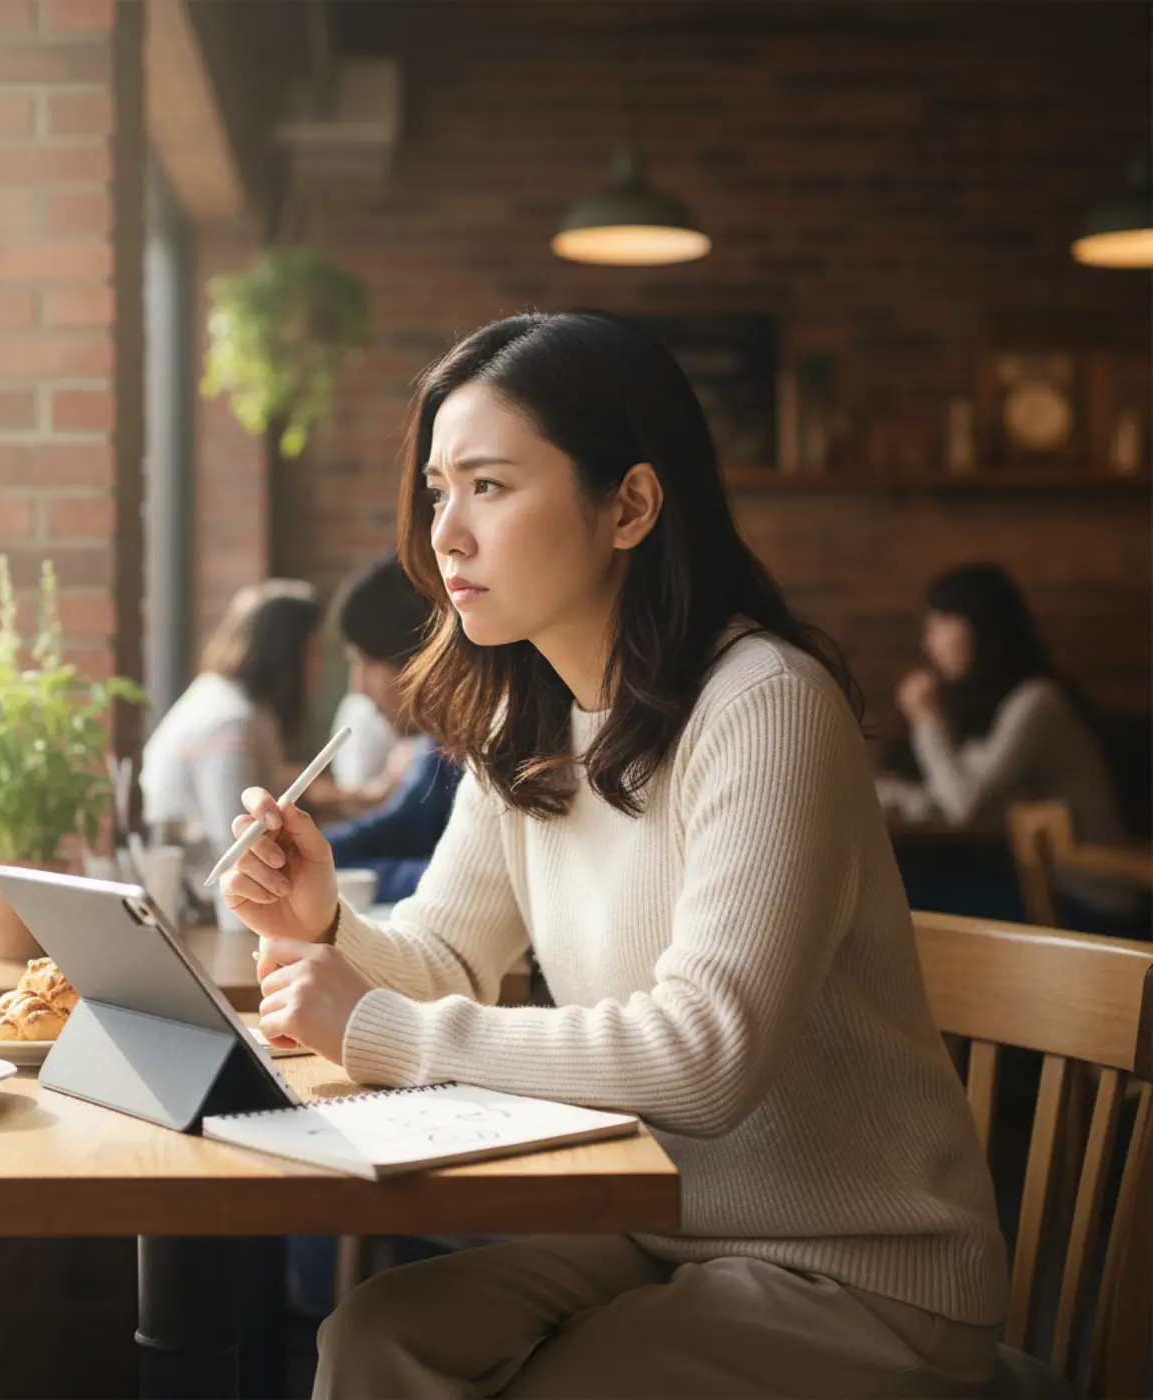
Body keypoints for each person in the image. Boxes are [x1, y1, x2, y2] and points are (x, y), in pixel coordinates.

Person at [222, 312, 1006, 1398]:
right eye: (440, 491)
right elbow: (446, 957)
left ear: (630, 505)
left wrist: (383, 1028)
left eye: (489, 486)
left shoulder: (765, 705)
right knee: (375, 1336)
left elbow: (705, 1055)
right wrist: (324, 925)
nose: (447, 535)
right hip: (663, 1226)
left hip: (863, 1273)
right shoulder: (526, 720)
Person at [884, 562, 1140, 927]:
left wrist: (926, 718)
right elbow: (955, 794)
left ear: (980, 626)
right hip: (1048, 887)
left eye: (940, 624)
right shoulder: (998, 707)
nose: (929, 643)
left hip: (1090, 900)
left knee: (909, 904)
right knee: (911, 894)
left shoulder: (1039, 702)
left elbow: (964, 806)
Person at [139, 579, 321, 917]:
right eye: (312, 651)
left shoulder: (220, 697)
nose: (319, 666)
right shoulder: (231, 722)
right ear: (285, 653)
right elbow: (238, 841)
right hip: (206, 910)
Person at [321, 554, 461, 904]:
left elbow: (471, 881)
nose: (357, 688)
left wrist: (326, 873)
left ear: (420, 654)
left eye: (368, 663)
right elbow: (402, 825)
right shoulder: (437, 746)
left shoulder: (496, 744)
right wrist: (301, 852)